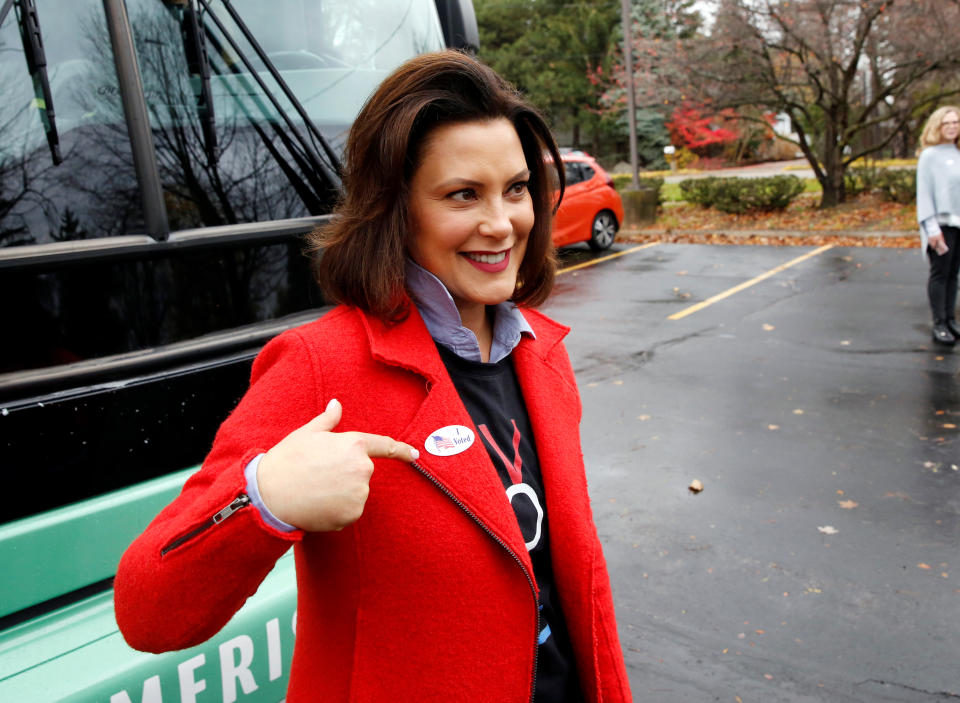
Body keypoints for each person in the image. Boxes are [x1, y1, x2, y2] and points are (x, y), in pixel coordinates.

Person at [114, 51, 632, 703]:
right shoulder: (319, 364)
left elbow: (572, 589)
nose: (502, 223)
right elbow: (146, 609)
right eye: (463, 194)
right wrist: (263, 499)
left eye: (517, 188)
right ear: (396, 208)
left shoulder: (541, 354)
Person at [916, 105, 960, 345]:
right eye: (947, 123)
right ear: (937, 126)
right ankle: (939, 323)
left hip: (958, 223)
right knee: (940, 274)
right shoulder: (930, 156)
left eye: (956, 122)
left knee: (954, 274)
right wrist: (931, 229)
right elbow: (924, 194)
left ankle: (951, 320)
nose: (953, 127)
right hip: (940, 225)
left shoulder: (958, 151)